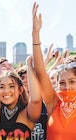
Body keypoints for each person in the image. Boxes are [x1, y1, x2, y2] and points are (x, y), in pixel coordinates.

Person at [32, 2, 76, 139]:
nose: (67, 87)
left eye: (72, 81)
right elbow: (40, 71)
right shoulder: (54, 102)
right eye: (62, 82)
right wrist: (35, 33)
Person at [17, 65, 48, 140]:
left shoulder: (46, 105)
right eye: (22, 78)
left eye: (30, 78)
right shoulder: (14, 105)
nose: (26, 80)